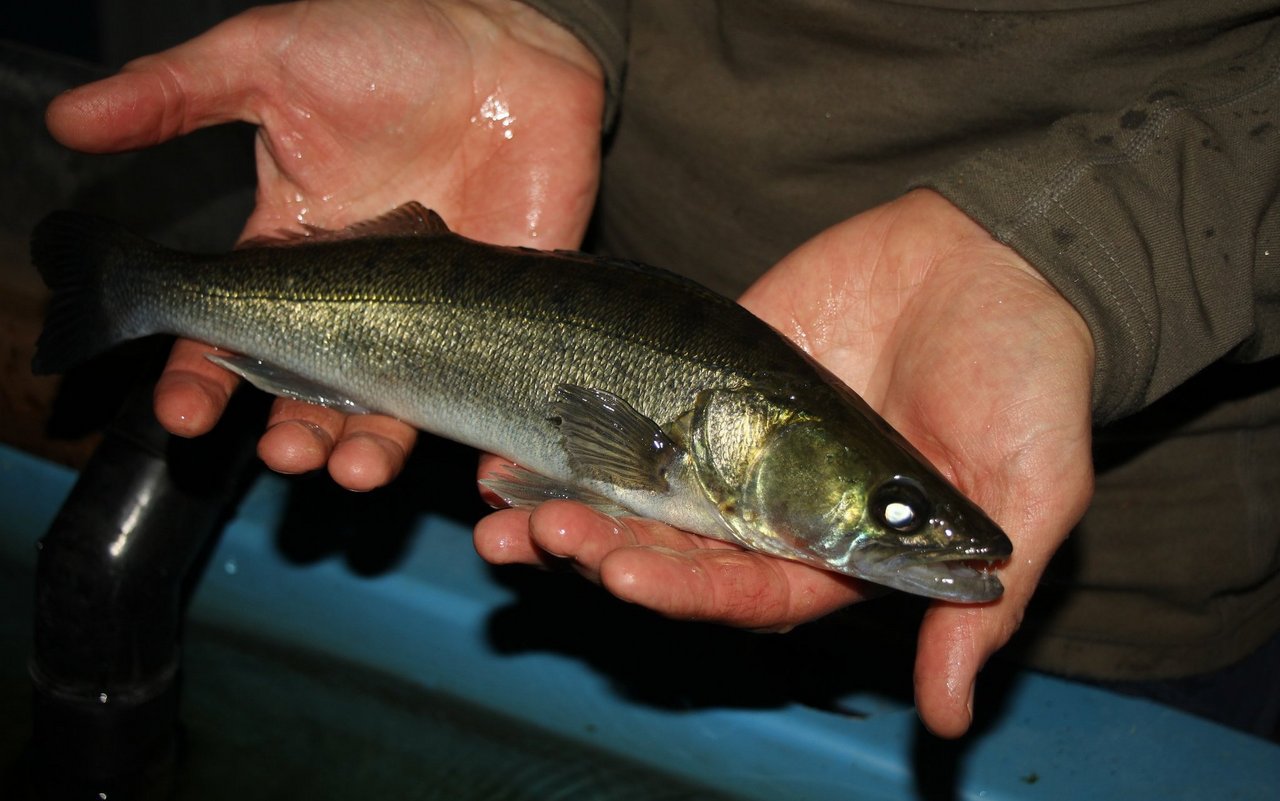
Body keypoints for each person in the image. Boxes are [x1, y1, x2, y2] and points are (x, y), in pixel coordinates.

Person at [44, 0, 1280, 739]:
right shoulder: (695, 456)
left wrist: (1089, 258)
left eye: (896, 508)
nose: (906, 523)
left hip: (1152, 547)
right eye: (894, 506)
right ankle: (144, 290)